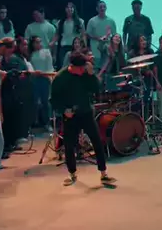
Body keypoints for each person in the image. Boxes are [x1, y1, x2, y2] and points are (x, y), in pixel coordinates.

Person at [50, 52, 116, 186]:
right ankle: (72, 174)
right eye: (80, 69)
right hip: (70, 115)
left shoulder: (85, 75)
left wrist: (92, 75)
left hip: (86, 112)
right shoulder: (61, 77)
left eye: (83, 68)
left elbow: (96, 89)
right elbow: (53, 100)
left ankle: (103, 173)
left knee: (96, 141)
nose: (82, 71)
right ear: (72, 66)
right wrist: (64, 110)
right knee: (69, 145)